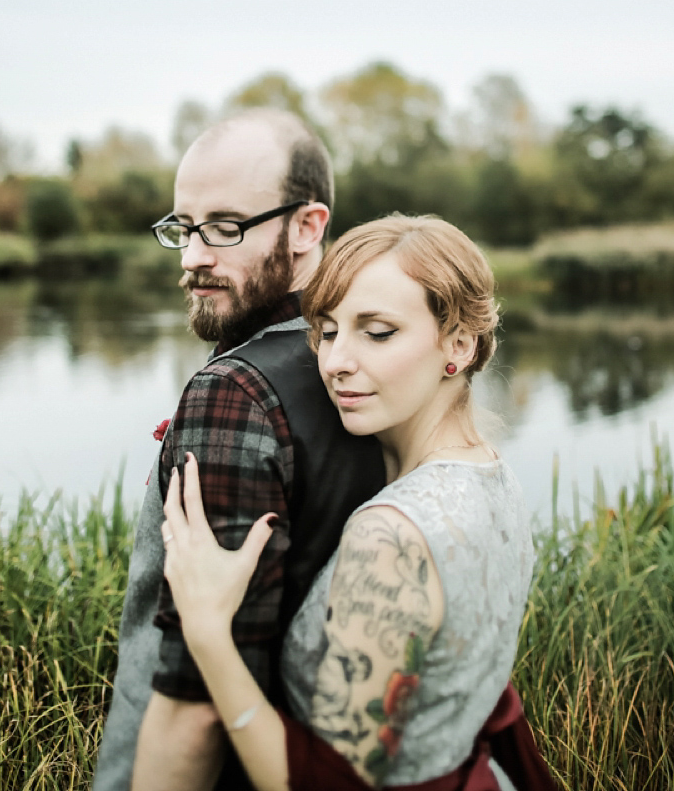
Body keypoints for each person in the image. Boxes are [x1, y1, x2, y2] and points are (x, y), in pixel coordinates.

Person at [154, 216, 554, 789]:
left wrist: (208, 633)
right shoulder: (494, 476)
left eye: (378, 332)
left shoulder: (392, 536)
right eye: (328, 330)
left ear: (458, 345)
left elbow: (330, 783)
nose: (336, 361)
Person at [92, 109, 386, 791]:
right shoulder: (383, 365)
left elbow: (194, 710)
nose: (194, 256)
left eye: (226, 228)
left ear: (308, 226)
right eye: (183, 228)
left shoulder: (234, 393)